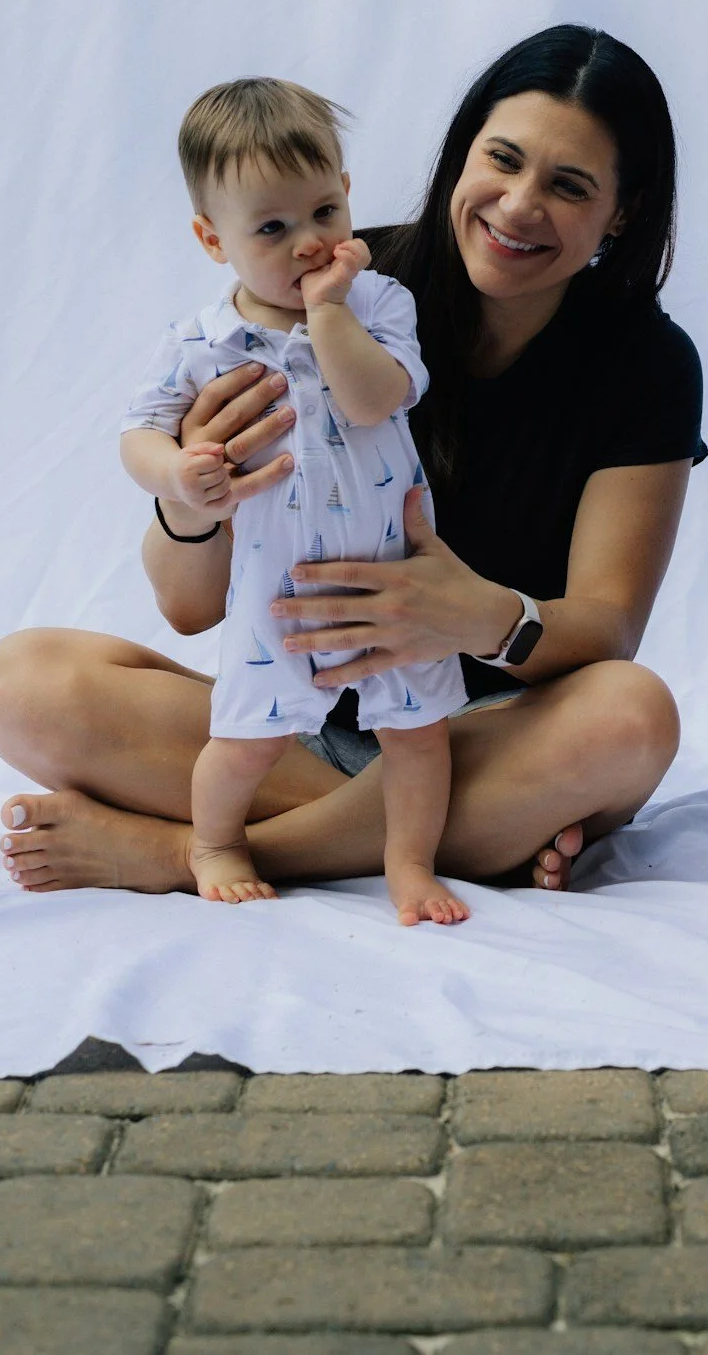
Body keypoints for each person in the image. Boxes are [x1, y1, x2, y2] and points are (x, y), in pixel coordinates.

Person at [0, 25, 705, 906]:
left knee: (630, 717)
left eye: (568, 186)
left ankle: (182, 856)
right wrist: (195, 491)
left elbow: (605, 633)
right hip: (302, 707)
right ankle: (461, 837)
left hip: (485, 723)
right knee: (24, 684)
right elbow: (186, 606)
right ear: (461, 153)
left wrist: (480, 617)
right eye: (502, 161)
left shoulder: (640, 361)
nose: (517, 206)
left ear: (620, 212)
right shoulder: (310, 287)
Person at [121, 77, 467, 923]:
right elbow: (138, 432)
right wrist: (175, 474)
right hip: (277, 590)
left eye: (323, 212)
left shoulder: (380, 302)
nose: (309, 242)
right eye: (272, 228)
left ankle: (410, 866)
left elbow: (374, 397)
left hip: (392, 586)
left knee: (419, 738)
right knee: (246, 740)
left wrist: (329, 314)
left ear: (348, 195)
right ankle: (213, 841)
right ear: (214, 240)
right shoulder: (202, 343)